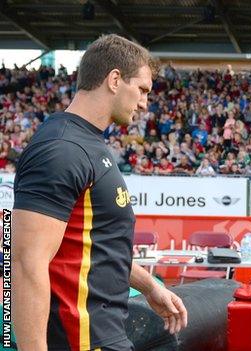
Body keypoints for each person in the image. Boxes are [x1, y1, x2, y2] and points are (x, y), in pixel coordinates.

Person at [12, 34, 188, 351]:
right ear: (115, 79)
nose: (146, 102)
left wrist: (150, 287)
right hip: (81, 340)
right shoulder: (61, 148)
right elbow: (27, 264)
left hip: (106, 335)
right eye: (143, 89)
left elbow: (96, 247)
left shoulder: (87, 143)